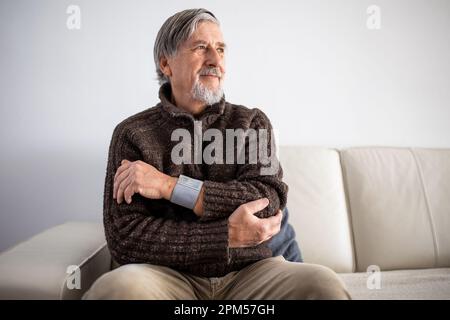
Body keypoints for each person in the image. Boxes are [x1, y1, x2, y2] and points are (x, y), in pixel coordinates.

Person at [83, 8, 350, 300]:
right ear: (166, 63)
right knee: (115, 289)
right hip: (166, 277)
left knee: (323, 284)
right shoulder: (132, 133)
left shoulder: (252, 122)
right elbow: (126, 237)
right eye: (201, 48)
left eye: (220, 49)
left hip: (251, 273)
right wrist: (226, 235)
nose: (215, 59)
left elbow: (267, 199)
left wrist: (168, 186)